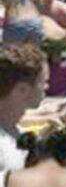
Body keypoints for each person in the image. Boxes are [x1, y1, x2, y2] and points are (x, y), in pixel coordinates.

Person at [0, 43, 47, 171]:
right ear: (22, 89)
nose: (46, 88)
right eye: (43, 82)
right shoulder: (5, 154)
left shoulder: (14, 129)